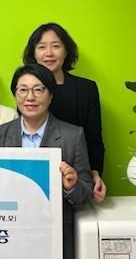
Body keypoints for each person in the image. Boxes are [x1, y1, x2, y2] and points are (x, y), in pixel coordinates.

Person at [0, 63, 92, 259]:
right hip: (9, 241)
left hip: (54, 243)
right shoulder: (0, 135)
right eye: (23, 90)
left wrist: (71, 185)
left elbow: (86, 193)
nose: (30, 97)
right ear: (15, 95)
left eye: (38, 89)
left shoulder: (73, 135)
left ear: (50, 95)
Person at [23, 22, 107, 203]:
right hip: (35, 182)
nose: (49, 53)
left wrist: (95, 173)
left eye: (56, 46)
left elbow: (94, 139)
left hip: (76, 180)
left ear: (66, 51)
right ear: (33, 53)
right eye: (41, 47)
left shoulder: (86, 89)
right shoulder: (27, 90)